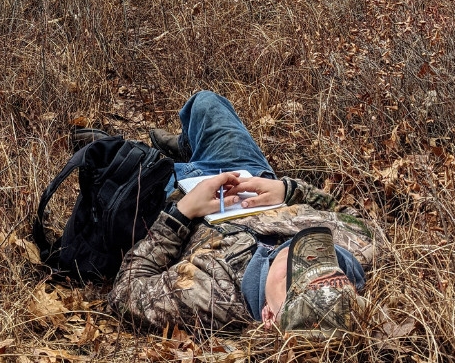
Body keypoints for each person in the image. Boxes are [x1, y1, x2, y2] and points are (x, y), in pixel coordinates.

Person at [106, 91, 381, 337]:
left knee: (112, 162)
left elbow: (126, 293)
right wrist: (287, 190)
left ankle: (166, 161)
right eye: (323, 265)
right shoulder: (359, 249)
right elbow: (348, 216)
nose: (301, 257)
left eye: (293, 277)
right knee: (205, 103)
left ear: (269, 317)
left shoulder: (211, 298)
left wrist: (182, 213)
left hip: (178, 201)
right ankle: (187, 150)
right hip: (247, 176)